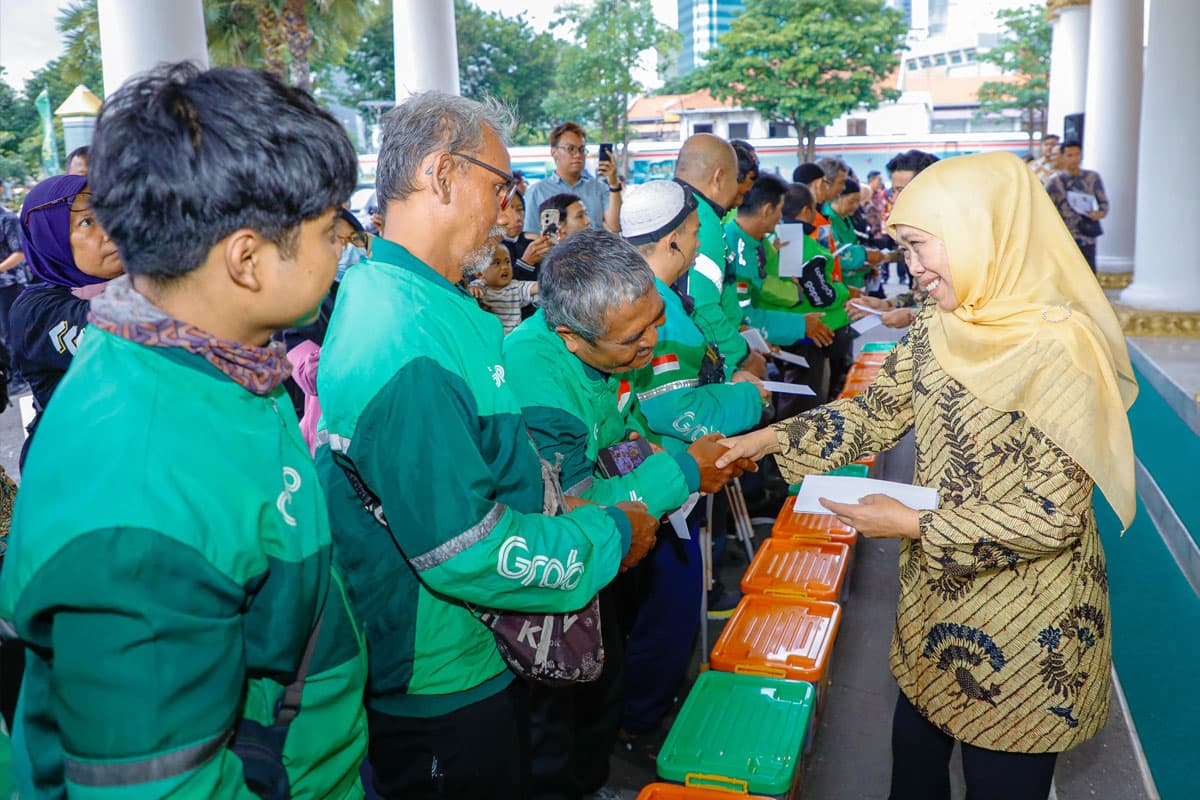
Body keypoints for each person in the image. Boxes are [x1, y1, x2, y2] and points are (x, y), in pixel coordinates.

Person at [716, 151, 1137, 800]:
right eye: (904, 248)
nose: (910, 266)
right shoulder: (941, 325)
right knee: (914, 769)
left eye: (919, 245)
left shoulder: (1059, 348)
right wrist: (770, 438)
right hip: (936, 601)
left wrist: (912, 521)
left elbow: (1053, 515)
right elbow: (873, 416)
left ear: (980, 232)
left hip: (1026, 622)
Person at [0, 63, 370, 798]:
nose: (345, 250)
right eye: (330, 230)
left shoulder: (214, 364)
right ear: (247, 259)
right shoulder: (138, 492)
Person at [314, 91, 659, 799]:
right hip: (441, 670)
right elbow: (463, 549)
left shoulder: (429, 301)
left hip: (477, 644)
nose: (510, 208)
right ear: (441, 175)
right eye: (501, 186)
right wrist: (609, 536)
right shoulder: (403, 334)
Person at [503, 227, 750, 800]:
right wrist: (683, 471)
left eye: (656, 320)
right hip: (556, 569)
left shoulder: (611, 343)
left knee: (603, 682)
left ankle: (593, 777)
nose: (653, 342)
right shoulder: (538, 384)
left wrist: (646, 450)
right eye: (634, 340)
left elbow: (617, 431)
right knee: (561, 708)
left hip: (611, 551)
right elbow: (574, 505)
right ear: (570, 338)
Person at [618, 180, 767, 742]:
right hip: (665, 484)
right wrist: (750, 398)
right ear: (673, 239)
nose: (702, 241)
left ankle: (646, 708)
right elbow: (676, 410)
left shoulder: (651, 297)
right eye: (696, 231)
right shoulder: (652, 308)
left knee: (666, 604)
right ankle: (641, 721)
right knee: (669, 607)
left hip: (665, 477)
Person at [8, 175, 124, 465]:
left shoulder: (145, 278)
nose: (109, 231)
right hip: (79, 467)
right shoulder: (36, 311)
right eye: (87, 222)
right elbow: (125, 332)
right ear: (50, 237)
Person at [674, 133, 762, 378]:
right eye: (735, 180)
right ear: (719, 178)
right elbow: (701, 309)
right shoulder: (702, 221)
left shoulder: (670, 206)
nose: (738, 196)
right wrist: (742, 357)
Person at [524, 121, 622, 233]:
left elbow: (615, 226)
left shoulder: (598, 188)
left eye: (581, 150)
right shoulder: (537, 191)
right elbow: (531, 234)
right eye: (570, 149)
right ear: (554, 152)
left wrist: (614, 184)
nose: (578, 155)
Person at [1044, 140, 1109, 272]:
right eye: (1070, 155)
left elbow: (1103, 203)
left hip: (1086, 234)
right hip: (1063, 236)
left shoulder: (1092, 177)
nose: (1074, 159)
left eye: (1077, 155)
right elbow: (1045, 209)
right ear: (1062, 156)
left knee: (1088, 272)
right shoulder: (1054, 182)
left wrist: (1099, 213)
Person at [470, 244, 539, 333]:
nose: (505, 267)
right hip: (489, 337)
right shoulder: (477, 287)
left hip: (511, 339)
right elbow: (470, 291)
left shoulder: (515, 287)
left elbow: (535, 287)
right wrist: (472, 290)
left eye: (507, 261)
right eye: (497, 263)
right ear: (479, 273)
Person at [0, 202, 26, 394]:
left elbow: (20, 253)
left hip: (10, 284)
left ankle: (20, 376)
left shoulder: (7, 218)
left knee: (12, 333)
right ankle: (9, 374)